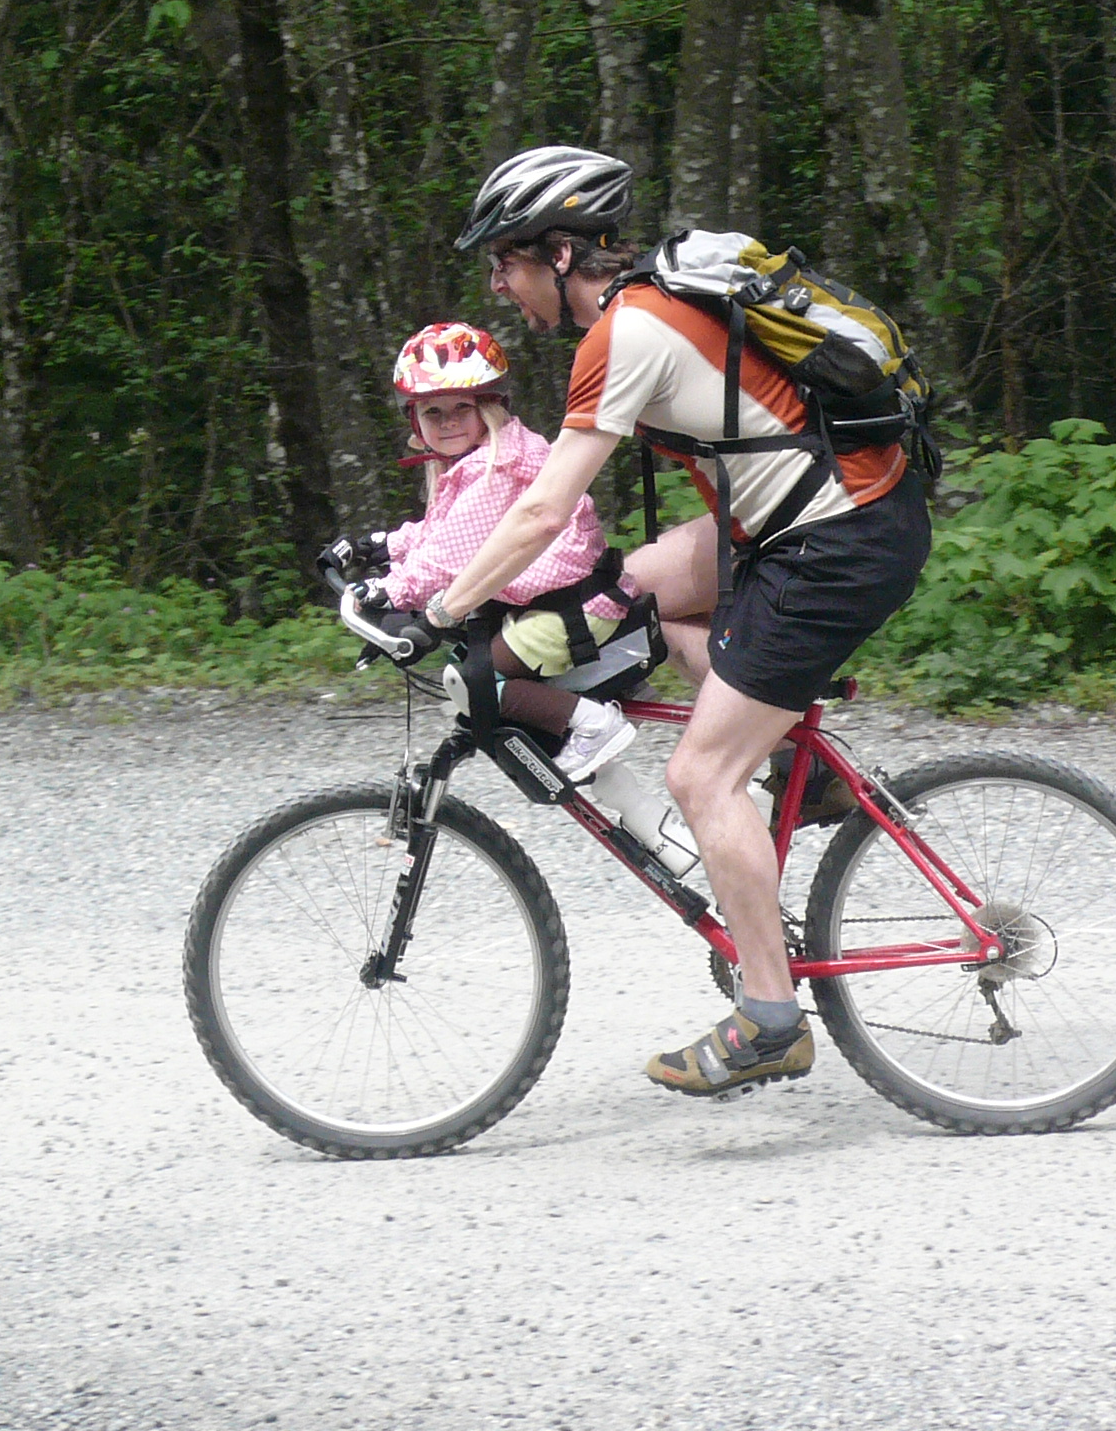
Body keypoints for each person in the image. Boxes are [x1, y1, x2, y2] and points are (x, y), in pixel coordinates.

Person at [424, 145, 932, 1099]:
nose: (501, 282)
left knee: (700, 773)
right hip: (813, 517)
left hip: (832, 540)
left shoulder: (626, 333)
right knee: (627, 587)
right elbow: (564, 536)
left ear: (562, 254)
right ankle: (805, 772)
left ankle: (770, 1019)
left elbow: (540, 509)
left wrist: (446, 606)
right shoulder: (650, 305)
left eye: (508, 260)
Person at [368, 320, 637, 781]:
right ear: (416, 421)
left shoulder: (497, 470)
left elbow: (448, 560)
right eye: (433, 412)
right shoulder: (480, 460)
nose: (448, 421)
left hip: (571, 609)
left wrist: (390, 595)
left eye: (460, 408)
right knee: (469, 668)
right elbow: (441, 533)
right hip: (565, 600)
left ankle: (593, 725)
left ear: (488, 408)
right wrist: (382, 547)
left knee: (471, 682)